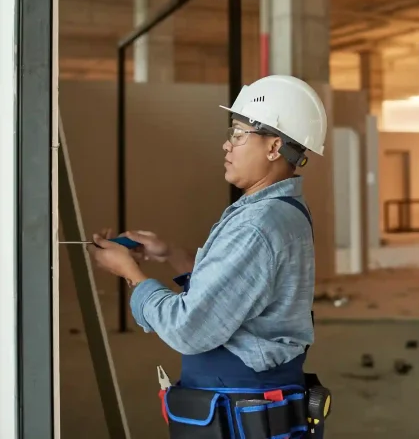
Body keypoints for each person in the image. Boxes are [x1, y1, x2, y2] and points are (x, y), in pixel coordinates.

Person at [88, 74, 330, 438]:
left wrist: (131, 276)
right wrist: (168, 253)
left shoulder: (257, 225)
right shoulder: (280, 210)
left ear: (273, 146)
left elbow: (189, 329)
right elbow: (233, 288)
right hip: (255, 404)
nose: (226, 145)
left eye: (238, 133)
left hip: (240, 412)